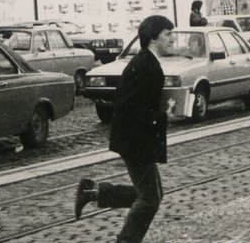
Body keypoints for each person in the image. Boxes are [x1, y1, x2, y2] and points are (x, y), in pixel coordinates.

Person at [74, 13, 176, 241]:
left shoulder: (147, 62)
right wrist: (162, 117)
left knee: (151, 195)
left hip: (137, 139)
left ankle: (93, 192)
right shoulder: (144, 65)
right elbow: (131, 108)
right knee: (149, 199)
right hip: (134, 141)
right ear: (152, 37)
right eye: (168, 34)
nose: (172, 39)